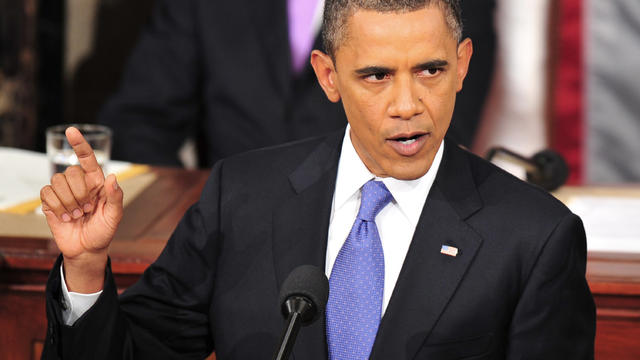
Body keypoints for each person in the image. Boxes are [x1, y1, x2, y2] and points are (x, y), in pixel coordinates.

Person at [40, 1, 595, 359]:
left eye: (430, 70)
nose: (408, 104)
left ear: (463, 64)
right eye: (376, 76)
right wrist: (85, 268)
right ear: (329, 77)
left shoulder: (535, 238)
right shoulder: (242, 196)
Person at [96, 0, 496, 167]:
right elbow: (140, 121)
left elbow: (434, 133)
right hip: (227, 248)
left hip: (371, 243)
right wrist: (202, 220)